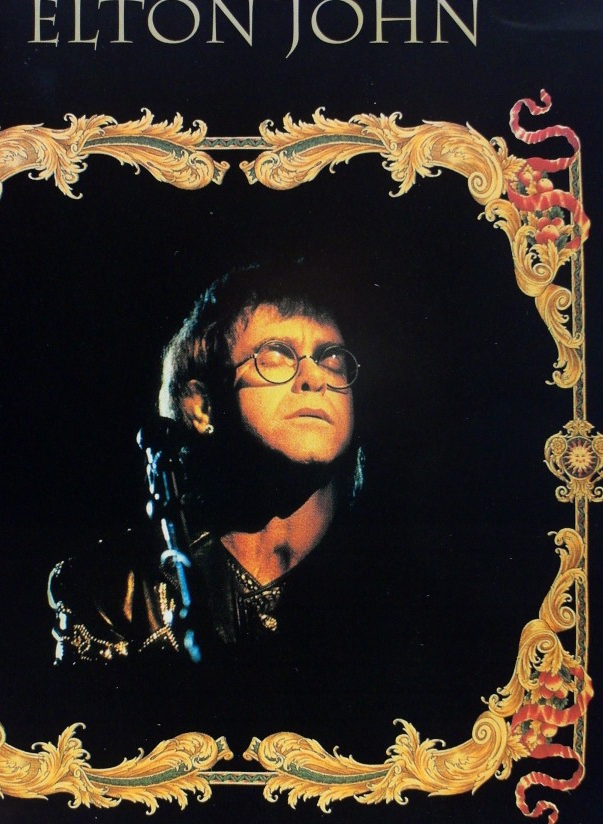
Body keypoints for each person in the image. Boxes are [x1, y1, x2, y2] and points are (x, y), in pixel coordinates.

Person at [47, 260, 414, 750]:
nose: (314, 378)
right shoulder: (117, 590)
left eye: (331, 359)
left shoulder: (405, 593)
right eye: (277, 355)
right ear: (201, 407)